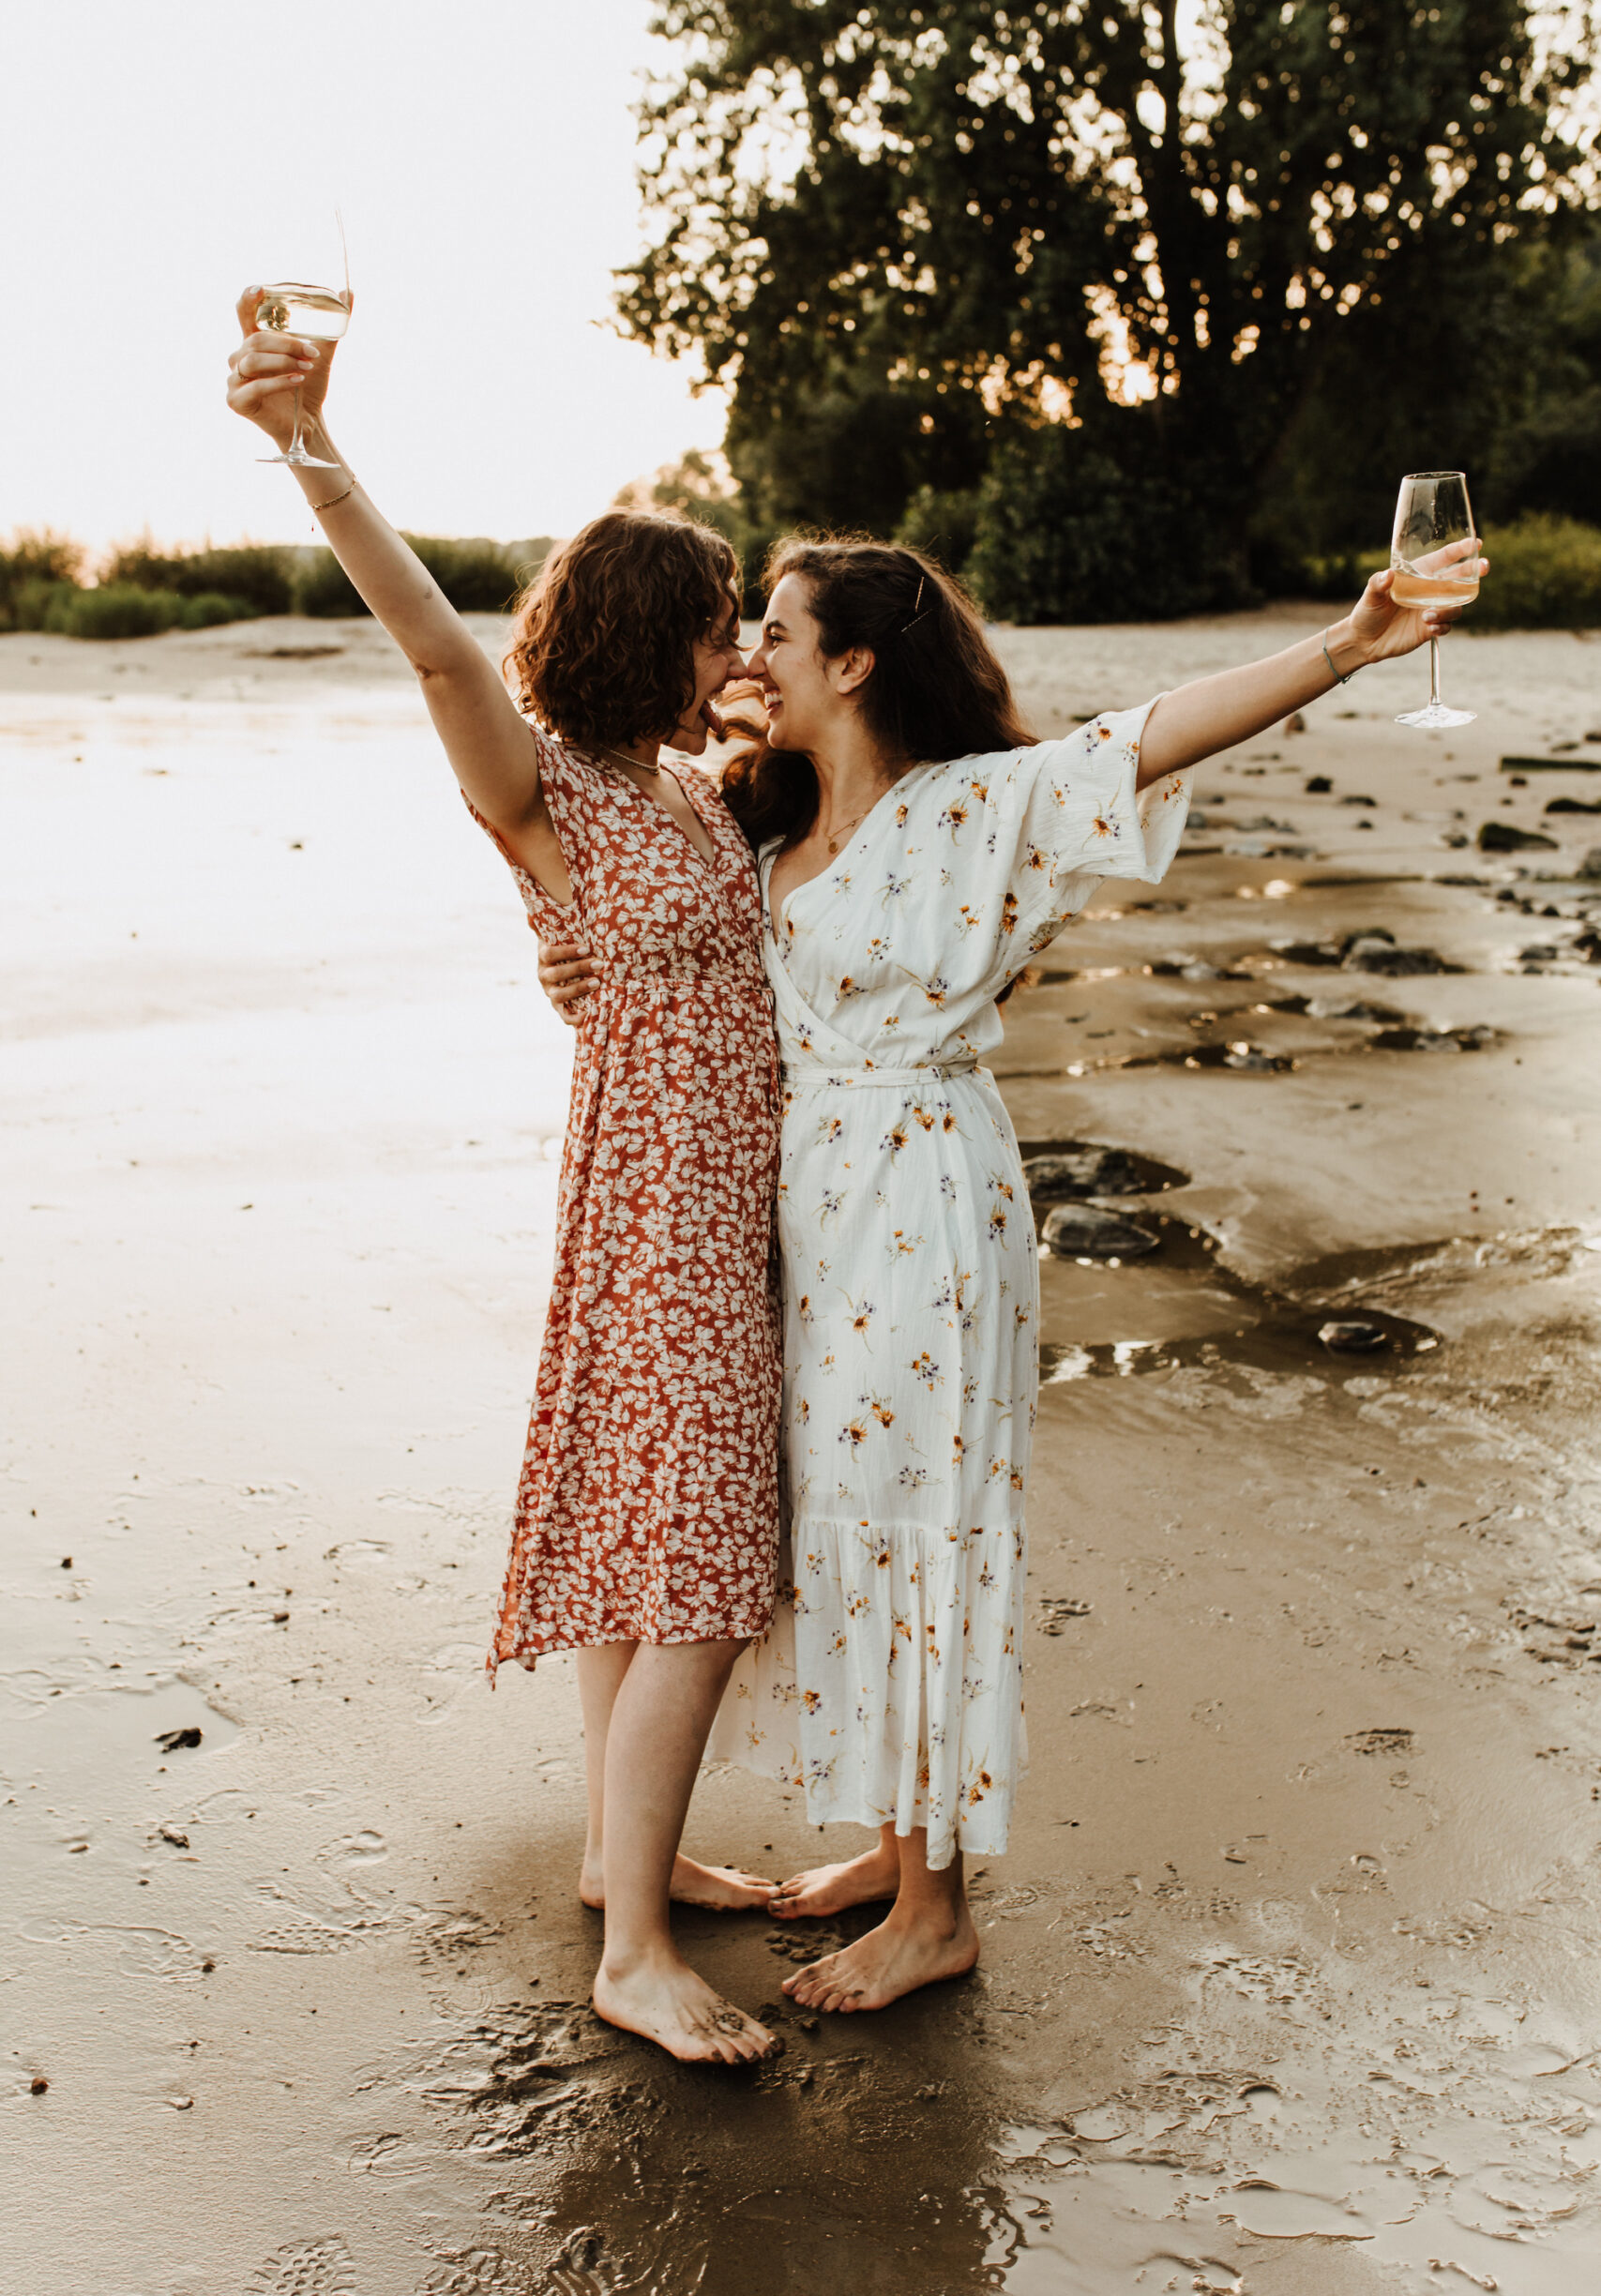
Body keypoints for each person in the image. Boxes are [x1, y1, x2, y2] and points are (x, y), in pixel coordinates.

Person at [538, 532, 1479, 2015]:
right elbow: (653, 939)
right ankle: (903, 1847)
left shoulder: (976, 807)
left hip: (923, 1199)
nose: (745, 661)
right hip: (795, 1213)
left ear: (852, 662)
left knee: (924, 1515)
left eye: (774, 636)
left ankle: (936, 1910)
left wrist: (1346, 645)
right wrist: (572, 970)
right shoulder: (758, 821)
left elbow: (1157, 731)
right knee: (850, 1519)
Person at [225, 292, 785, 2064]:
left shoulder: (700, 788)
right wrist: (311, 448)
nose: (731, 653)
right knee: (695, 1565)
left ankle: (635, 1865)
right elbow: (437, 646)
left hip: (730, 1206)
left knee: (645, 1555)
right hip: (654, 1212)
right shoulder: (543, 786)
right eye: (714, 628)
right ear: (647, 637)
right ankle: (632, 1955)